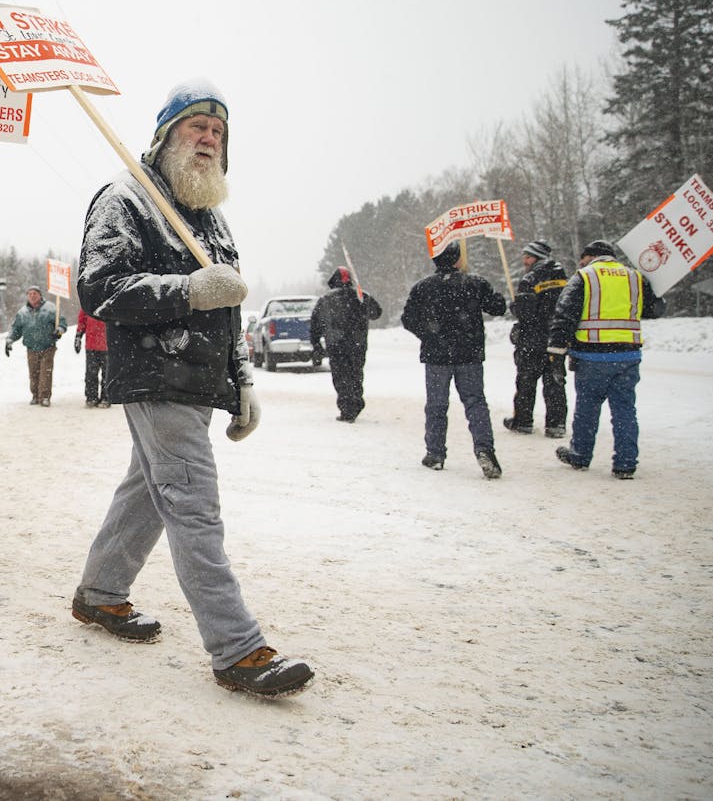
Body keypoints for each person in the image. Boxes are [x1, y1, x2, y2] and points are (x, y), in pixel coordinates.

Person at [71, 79, 314, 699]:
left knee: (150, 492)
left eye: (218, 132)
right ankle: (237, 649)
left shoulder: (208, 214)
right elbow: (98, 290)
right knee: (193, 503)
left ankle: (100, 593)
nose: (208, 139)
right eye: (196, 127)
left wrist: (244, 381)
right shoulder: (126, 200)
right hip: (155, 372)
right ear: (166, 135)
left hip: (197, 381)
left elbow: (228, 309)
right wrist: (184, 291)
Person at [547, 239, 665, 479]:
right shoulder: (635, 277)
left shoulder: (585, 277)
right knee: (624, 410)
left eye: (582, 259)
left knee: (587, 408)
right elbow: (654, 310)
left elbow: (564, 315)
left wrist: (556, 350)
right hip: (628, 355)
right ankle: (625, 464)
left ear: (591, 257)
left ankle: (580, 455)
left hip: (591, 355)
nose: (580, 263)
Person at [400, 241, 508, 478]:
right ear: (458, 260)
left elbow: (407, 318)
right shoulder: (474, 284)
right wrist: (504, 298)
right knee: (475, 403)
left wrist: (429, 334)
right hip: (469, 354)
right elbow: (498, 308)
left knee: (437, 405)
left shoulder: (423, 287)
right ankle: (484, 449)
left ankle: (435, 453)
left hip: (436, 356)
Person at [503, 239, 569, 438]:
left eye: (528, 256)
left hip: (532, 339)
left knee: (526, 381)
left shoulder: (531, 278)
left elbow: (525, 311)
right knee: (555, 382)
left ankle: (523, 421)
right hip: (556, 338)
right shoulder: (564, 276)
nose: (525, 260)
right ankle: (556, 424)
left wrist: (514, 306)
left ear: (537, 257)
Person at [308, 266, 383, 422]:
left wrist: (316, 343)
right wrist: (363, 299)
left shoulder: (326, 300)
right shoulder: (361, 296)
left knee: (341, 378)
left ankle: (347, 407)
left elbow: (315, 324)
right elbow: (377, 313)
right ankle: (355, 402)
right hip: (358, 345)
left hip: (336, 346)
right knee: (356, 375)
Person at [4, 286, 66, 406]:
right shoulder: (22, 312)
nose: (32, 296)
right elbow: (16, 329)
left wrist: (59, 330)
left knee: (45, 372)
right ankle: (35, 395)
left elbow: (62, 323)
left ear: (40, 295)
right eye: (30, 294)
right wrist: (9, 340)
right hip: (31, 348)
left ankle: (45, 397)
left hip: (48, 346)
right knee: (33, 373)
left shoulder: (50, 308)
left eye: (35, 293)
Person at [74, 309, 110, 407]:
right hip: (91, 345)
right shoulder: (88, 303)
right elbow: (82, 321)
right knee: (91, 374)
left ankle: (106, 397)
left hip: (108, 344)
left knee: (107, 374)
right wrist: (78, 336)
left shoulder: (109, 301)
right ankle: (91, 397)